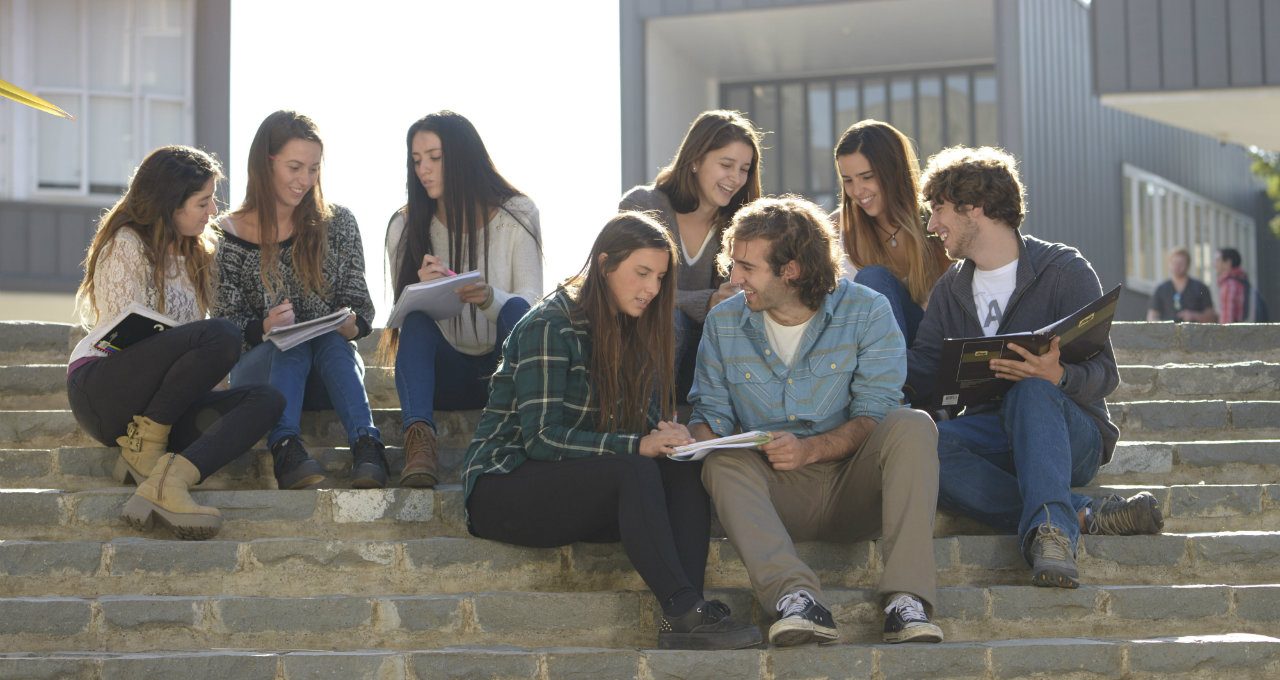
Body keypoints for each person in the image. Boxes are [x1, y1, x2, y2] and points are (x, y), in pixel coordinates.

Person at [462, 212, 762, 651]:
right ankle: (681, 608)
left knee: (680, 469)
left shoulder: (638, 329)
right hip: (504, 485)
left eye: (660, 277)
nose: (652, 290)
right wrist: (638, 444)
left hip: (580, 486)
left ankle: (690, 610)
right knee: (634, 468)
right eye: (642, 274)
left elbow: (641, 429)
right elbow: (541, 439)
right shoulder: (551, 324)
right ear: (604, 265)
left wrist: (668, 436)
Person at [905, 146, 1163, 590]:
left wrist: (1057, 376)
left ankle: (1054, 535)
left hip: (1068, 434)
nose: (932, 226)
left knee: (1032, 389)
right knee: (918, 445)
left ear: (974, 208)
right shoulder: (951, 288)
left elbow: (1106, 373)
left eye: (940, 210)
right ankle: (1075, 514)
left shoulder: (1063, 270)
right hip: (993, 433)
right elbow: (924, 369)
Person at [690, 195, 944, 646]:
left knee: (912, 423)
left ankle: (907, 601)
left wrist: (809, 449)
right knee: (718, 461)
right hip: (775, 495)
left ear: (791, 270)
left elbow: (875, 413)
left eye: (748, 267)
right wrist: (693, 437)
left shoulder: (868, 311)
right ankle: (797, 599)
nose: (735, 278)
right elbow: (712, 416)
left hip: (853, 488)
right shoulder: (723, 323)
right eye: (735, 263)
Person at [66, 145, 284, 540]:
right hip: (104, 391)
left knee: (266, 399)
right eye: (203, 202)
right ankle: (143, 449)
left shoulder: (197, 256)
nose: (213, 211)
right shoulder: (126, 244)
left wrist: (209, 382)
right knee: (222, 333)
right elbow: (125, 340)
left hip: (162, 410)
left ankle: (168, 480)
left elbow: (195, 362)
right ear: (170, 203)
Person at [215, 111, 385, 490]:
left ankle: (368, 446)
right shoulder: (222, 235)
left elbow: (361, 307)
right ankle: (286, 447)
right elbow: (223, 329)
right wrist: (264, 327)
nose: (305, 180)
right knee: (289, 342)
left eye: (313, 168)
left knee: (324, 339)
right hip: (261, 375)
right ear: (267, 161)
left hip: (328, 373)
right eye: (295, 167)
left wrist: (350, 324)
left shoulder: (339, 223)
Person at [384, 111, 541, 488]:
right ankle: (419, 444)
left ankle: (522, 436)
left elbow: (533, 305)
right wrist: (421, 290)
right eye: (417, 160)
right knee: (416, 321)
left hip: (503, 371)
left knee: (517, 310)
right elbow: (398, 318)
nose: (424, 170)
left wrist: (488, 297)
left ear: (463, 156)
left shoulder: (518, 213)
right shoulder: (404, 225)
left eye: (435, 158)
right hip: (444, 375)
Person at [619, 110, 762, 397]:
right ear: (695, 160)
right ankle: (649, 424)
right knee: (671, 321)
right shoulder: (643, 205)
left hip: (707, 350)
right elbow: (629, 289)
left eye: (744, 169)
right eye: (726, 165)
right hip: (641, 344)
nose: (735, 178)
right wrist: (706, 300)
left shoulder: (741, 225)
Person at [834, 120, 951, 346]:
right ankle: (891, 376)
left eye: (867, 177)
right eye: (848, 180)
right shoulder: (836, 228)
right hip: (869, 353)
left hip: (928, 348)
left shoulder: (934, 223)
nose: (857, 191)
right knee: (872, 277)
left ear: (893, 171)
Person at [1146, 247, 1216, 322]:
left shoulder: (1200, 288)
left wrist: (1194, 316)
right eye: (1174, 263)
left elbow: (1212, 317)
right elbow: (1152, 317)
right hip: (1168, 333)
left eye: (1181, 263)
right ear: (1169, 264)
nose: (1177, 266)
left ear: (1188, 265)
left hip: (1194, 332)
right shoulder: (1161, 289)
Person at [1216, 247, 1257, 323]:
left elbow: (1227, 321)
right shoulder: (1242, 280)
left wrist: (1223, 333)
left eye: (1218, 260)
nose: (1215, 264)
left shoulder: (1229, 285)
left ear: (1228, 262)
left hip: (1235, 333)